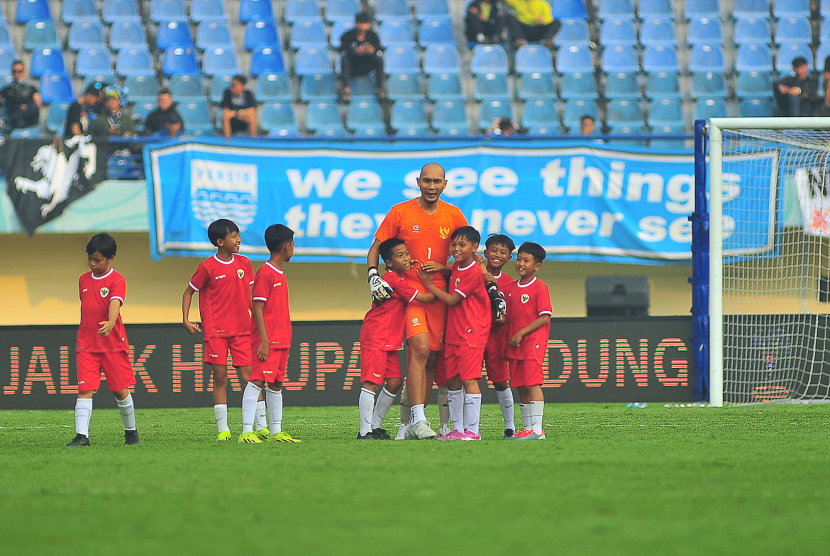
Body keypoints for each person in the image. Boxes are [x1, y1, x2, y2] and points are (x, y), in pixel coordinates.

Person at [367, 162, 469, 440]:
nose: (432, 186)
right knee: (420, 349)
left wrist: (445, 270)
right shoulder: (400, 211)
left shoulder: (454, 214)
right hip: (410, 293)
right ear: (418, 182)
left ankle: (414, 422)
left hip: (440, 295)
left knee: (433, 358)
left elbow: (467, 255)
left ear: (445, 184)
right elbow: (376, 247)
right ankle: (420, 420)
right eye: (427, 181)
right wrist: (373, 275)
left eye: (437, 181)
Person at [182, 219, 266, 441]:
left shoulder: (245, 263)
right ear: (220, 241)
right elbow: (189, 292)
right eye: (233, 235)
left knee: (251, 378)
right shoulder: (207, 267)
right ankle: (223, 430)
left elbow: (250, 296)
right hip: (216, 332)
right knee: (220, 378)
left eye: (238, 234)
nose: (238, 239)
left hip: (242, 330)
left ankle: (262, 425)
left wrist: (258, 323)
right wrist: (186, 319)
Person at [417, 226, 491, 441]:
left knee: (470, 380)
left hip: (472, 332)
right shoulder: (457, 267)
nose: (456, 249)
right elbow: (453, 274)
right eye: (453, 244)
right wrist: (443, 268)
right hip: (454, 333)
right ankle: (457, 429)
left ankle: (473, 430)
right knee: (452, 380)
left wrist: (429, 284)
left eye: (462, 245)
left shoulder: (475, 271)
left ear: (475, 247)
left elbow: (451, 299)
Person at [357, 238, 436, 440]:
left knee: (394, 382)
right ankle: (364, 431)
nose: (407, 258)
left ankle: (374, 426)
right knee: (370, 383)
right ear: (389, 263)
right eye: (400, 256)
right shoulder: (393, 279)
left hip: (389, 339)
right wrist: (434, 285)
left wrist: (412, 263)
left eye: (407, 253)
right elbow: (424, 298)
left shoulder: (397, 277)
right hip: (376, 334)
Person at [67, 233, 139, 447]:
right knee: (84, 389)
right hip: (87, 345)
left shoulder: (118, 280)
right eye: (90, 258)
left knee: (120, 390)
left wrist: (110, 322)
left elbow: (115, 303)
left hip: (113, 344)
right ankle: (82, 436)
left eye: (97, 260)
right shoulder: (83, 280)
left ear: (111, 258)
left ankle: (131, 431)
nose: (92, 263)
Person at [239, 224, 302, 444]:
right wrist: (263, 340)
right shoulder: (265, 272)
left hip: (282, 339)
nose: (294, 248)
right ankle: (247, 430)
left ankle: (275, 431)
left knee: (276, 384)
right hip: (269, 340)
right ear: (287, 246)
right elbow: (256, 307)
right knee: (256, 381)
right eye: (293, 244)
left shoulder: (279, 273)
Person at [504, 242, 552, 440]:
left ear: (537, 266)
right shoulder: (511, 288)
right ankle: (527, 429)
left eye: (526, 260)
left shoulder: (540, 287)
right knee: (520, 386)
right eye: (519, 259)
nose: (520, 263)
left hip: (532, 343)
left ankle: (538, 429)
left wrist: (521, 333)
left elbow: (544, 317)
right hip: (515, 345)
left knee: (533, 384)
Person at [482, 234, 518, 439]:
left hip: (497, 339)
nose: (497, 255)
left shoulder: (510, 284)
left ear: (508, 258)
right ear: (485, 253)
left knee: (501, 381)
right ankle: (465, 427)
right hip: (474, 336)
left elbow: (507, 316)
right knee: (467, 381)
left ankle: (509, 427)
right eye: (493, 250)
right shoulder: (474, 274)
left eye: (503, 252)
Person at [339, 11, 386, 101]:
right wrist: (355, 52)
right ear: (356, 23)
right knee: (345, 59)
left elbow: (379, 49)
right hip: (353, 65)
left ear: (368, 24)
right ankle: (346, 88)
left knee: (379, 59)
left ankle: (380, 88)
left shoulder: (373, 36)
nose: (362, 26)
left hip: (367, 64)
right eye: (360, 23)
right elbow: (342, 50)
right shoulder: (347, 36)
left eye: (365, 23)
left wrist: (372, 50)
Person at [0, 60, 41, 132]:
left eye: (19, 71)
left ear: (24, 72)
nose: (17, 74)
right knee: (20, 121)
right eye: (14, 71)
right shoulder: (7, 89)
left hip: (29, 119)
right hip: (16, 121)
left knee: (34, 107)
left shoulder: (31, 88)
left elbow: (38, 105)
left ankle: (6, 120)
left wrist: (25, 109)